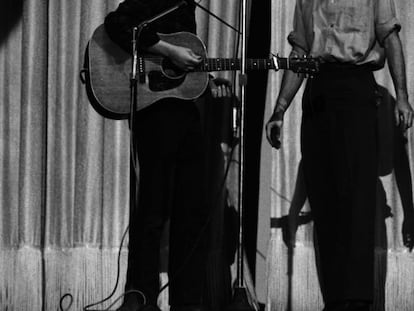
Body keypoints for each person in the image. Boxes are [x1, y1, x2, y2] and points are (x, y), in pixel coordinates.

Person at [265, 1, 413, 310]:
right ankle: (334, 299)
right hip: (318, 92)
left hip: (356, 89)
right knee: (325, 199)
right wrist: (279, 110)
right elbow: (300, 55)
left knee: (356, 200)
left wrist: (402, 97)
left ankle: (356, 301)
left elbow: (391, 38)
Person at [104, 1, 231, 311]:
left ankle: (188, 301)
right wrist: (169, 51)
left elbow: (184, 68)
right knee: (153, 207)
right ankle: (141, 296)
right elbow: (116, 24)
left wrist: (209, 80)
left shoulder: (188, 6)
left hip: (185, 113)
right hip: (155, 115)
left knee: (192, 210)